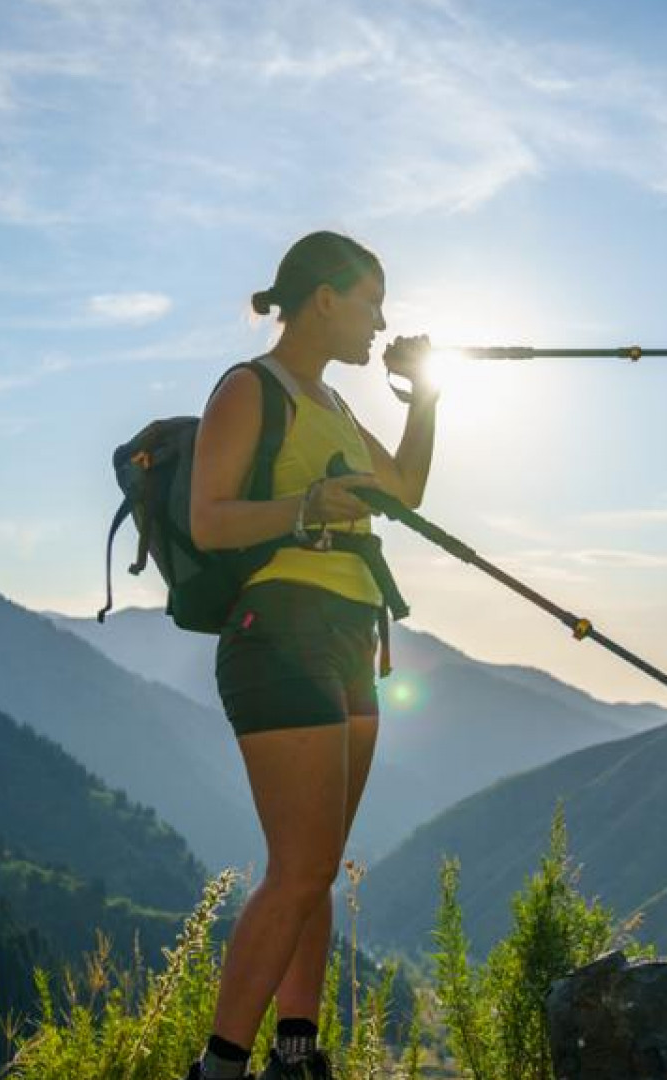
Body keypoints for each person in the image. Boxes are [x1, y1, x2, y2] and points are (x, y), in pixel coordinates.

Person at [183, 231, 437, 1080]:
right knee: (300, 867)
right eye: (372, 300)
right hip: (278, 631)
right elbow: (209, 520)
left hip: (349, 635)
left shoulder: (332, 405)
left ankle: (297, 1052)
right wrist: (306, 506)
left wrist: (423, 396)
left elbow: (401, 494)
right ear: (324, 298)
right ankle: (220, 1066)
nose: (380, 320)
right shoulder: (250, 390)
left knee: (315, 864)